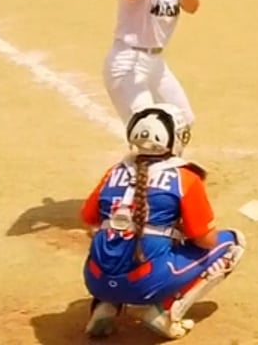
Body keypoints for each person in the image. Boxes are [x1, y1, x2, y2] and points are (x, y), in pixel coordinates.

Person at [79, 104, 246, 340]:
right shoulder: (184, 177)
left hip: (95, 279)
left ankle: (105, 304)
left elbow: (89, 218)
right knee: (233, 243)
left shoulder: (114, 171)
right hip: (145, 281)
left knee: (114, 243)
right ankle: (164, 310)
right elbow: (206, 241)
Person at [104, 0, 203, 138]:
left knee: (184, 119)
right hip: (127, 62)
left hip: (155, 63)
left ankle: (169, 158)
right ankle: (143, 160)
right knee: (148, 128)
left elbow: (192, 7)